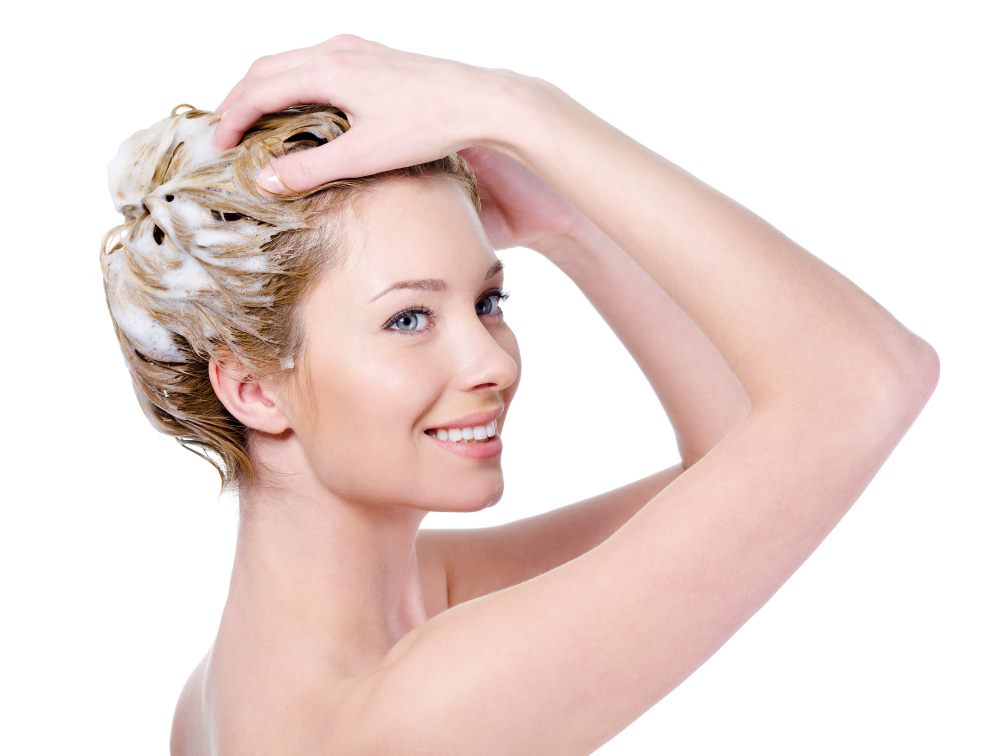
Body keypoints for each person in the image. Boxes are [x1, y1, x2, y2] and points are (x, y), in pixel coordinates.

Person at [102, 35, 938, 756]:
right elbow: (868, 382)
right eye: (408, 318)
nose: (492, 364)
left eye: (488, 301)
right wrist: (520, 108)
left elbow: (742, 464)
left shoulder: (235, 685)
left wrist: (567, 229)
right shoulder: (404, 717)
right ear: (253, 389)